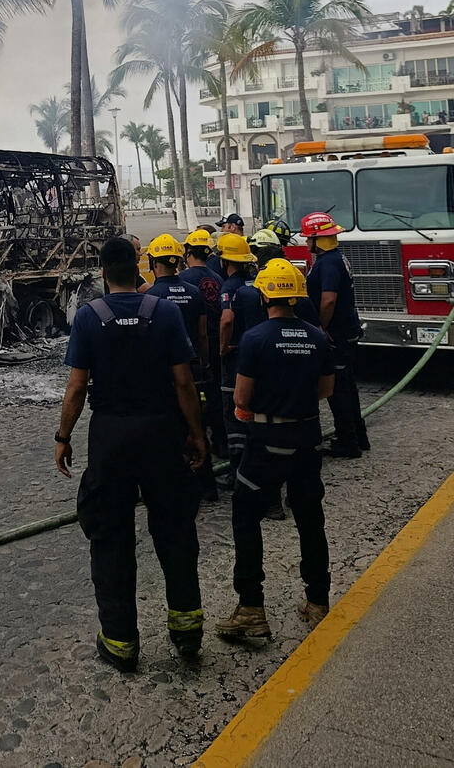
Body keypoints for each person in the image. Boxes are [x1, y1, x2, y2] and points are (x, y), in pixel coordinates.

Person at [56, 236, 206, 670]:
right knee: (176, 530)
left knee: (111, 536)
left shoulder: (89, 318)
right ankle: (187, 630)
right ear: (137, 268)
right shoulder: (166, 313)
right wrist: (197, 434)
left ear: (103, 272)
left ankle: (120, 642)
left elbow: (77, 387)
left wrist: (63, 436)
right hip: (162, 432)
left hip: (111, 438)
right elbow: (183, 382)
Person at [215, 259, 335, 640]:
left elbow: (241, 398)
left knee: (246, 515)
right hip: (306, 437)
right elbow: (326, 390)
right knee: (310, 517)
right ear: (297, 297)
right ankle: (318, 600)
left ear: (265, 296)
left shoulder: (255, 339)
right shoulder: (317, 337)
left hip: (267, 441)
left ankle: (251, 607)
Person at [146, 234, 218, 502]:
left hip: (165, 376)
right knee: (197, 424)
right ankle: (207, 485)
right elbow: (202, 334)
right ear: (178, 261)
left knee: (168, 429)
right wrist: (204, 363)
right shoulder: (194, 292)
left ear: (153, 262)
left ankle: (173, 485)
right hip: (194, 371)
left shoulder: (150, 297)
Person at [301, 212, 369, 458]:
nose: (306, 242)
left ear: (318, 239)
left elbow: (328, 300)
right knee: (347, 386)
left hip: (336, 334)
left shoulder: (327, 263)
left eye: (309, 238)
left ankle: (348, 443)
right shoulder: (336, 258)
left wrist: (320, 328)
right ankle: (359, 437)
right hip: (346, 329)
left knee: (337, 389)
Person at [182, 229, 226, 458]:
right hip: (216, 342)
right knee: (216, 394)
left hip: (193, 349)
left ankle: (197, 443)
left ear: (188, 251)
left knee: (192, 397)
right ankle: (221, 441)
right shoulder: (218, 278)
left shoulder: (184, 280)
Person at [217, 232, 255, 480]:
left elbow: (227, 319)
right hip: (255, 357)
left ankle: (237, 472)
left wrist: (222, 347)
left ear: (225, 261)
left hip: (235, 357)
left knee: (233, 414)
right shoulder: (255, 282)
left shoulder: (229, 286)